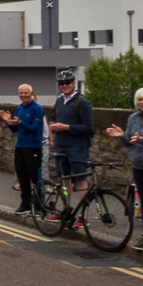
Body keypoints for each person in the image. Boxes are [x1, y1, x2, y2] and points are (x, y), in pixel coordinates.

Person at [106, 87, 143, 252]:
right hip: (139, 165)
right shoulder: (133, 117)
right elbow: (128, 142)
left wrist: (142, 140)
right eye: (140, 99)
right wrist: (121, 136)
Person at [49, 70, 94, 210]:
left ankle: (82, 214)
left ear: (74, 83)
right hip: (61, 146)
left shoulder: (82, 102)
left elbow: (89, 127)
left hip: (77, 147)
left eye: (67, 82)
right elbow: (55, 120)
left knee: (81, 180)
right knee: (65, 179)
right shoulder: (59, 101)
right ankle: (66, 209)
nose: (64, 85)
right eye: (61, 83)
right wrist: (54, 127)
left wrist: (66, 127)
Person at [0, 84, 46, 215]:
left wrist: (20, 123)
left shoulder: (37, 109)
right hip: (20, 147)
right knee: (22, 177)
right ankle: (25, 204)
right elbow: (15, 129)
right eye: (21, 93)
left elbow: (36, 129)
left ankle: (39, 206)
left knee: (35, 178)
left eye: (26, 93)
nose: (23, 95)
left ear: (31, 93)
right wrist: (9, 121)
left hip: (33, 147)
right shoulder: (19, 109)